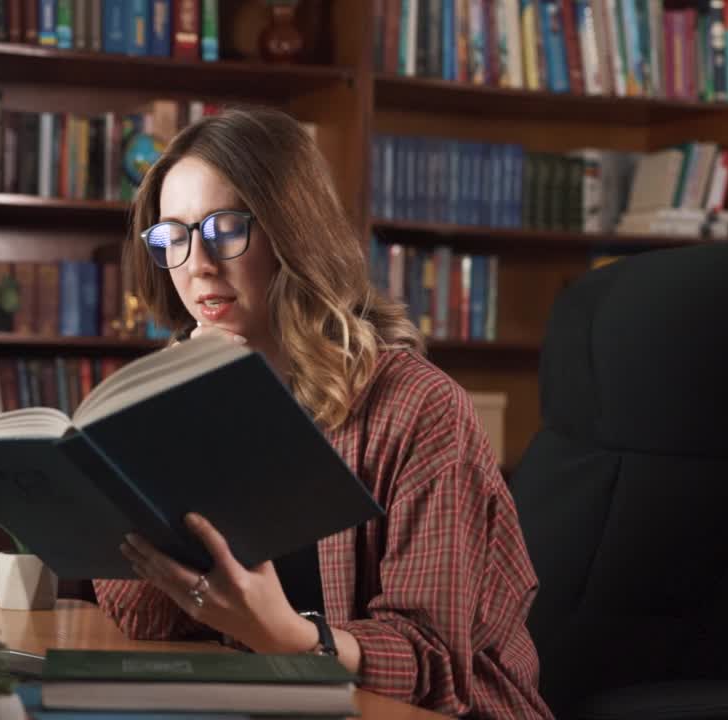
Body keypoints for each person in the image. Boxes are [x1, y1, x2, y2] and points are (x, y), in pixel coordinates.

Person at [91, 107, 552, 720]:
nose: (197, 263)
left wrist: (287, 637)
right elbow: (141, 618)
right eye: (172, 236)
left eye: (224, 228)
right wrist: (174, 427)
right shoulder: (175, 394)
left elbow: (435, 660)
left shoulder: (418, 407)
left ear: (292, 234)